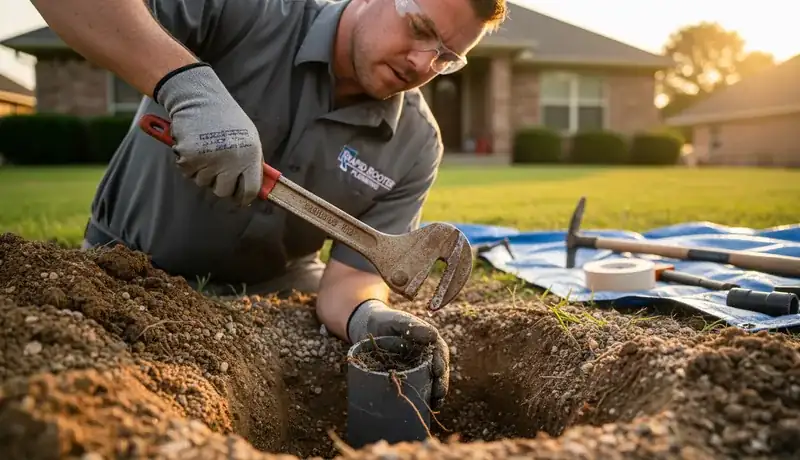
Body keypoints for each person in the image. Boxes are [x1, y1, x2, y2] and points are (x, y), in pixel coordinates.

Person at [31, 0, 507, 410]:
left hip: (265, 306)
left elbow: (350, 283)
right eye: (420, 29)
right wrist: (185, 85)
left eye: (446, 58)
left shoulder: (417, 144)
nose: (423, 62)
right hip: (121, 278)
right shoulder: (254, 11)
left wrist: (370, 317)